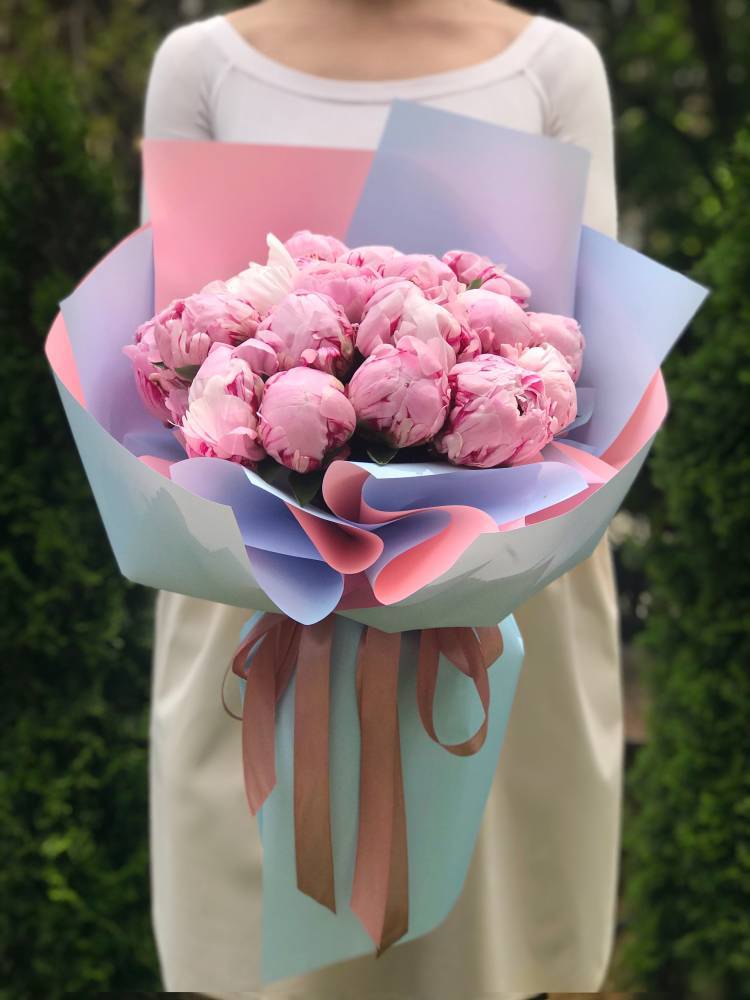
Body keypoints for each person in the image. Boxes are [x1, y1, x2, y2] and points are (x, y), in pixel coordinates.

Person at [141, 1, 621, 996]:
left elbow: (594, 376)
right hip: (262, 593)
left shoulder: (556, 70)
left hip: (495, 598)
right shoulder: (200, 68)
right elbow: (171, 366)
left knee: (493, 951)